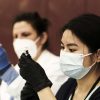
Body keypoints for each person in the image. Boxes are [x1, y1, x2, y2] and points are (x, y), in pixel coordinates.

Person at [18, 13, 100, 100]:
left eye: (72, 49)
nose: (64, 53)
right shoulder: (69, 86)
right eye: (62, 47)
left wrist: (40, 85)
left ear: (98, 55)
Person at [0, 12, 67, 100]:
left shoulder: (57, 66)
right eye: (15, 36)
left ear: (42, 37)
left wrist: (6, 71)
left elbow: (36, 96)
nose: (19, 40)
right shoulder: (17, 69)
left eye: (25, 34)